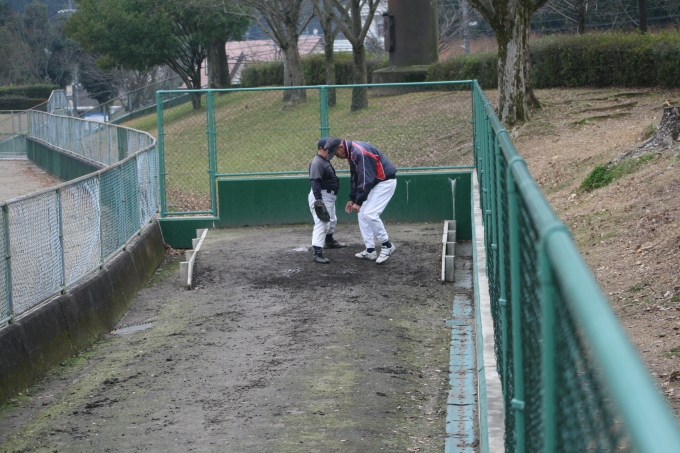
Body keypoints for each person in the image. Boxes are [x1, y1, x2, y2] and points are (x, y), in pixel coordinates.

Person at [323, 138, 397, 264]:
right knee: (362, 213)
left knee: (370, 214)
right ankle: (370, 250)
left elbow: (366, 178)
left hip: (385, 182)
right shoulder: (351, 152)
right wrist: (352, 198)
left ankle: (387, 245)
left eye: (335, 153)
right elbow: (355, 176)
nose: (337, 157)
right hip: (375, 184)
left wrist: (359, 201)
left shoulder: (359, 152)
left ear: (341, 147)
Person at [308, 138, 346, 264]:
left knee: (332, 220)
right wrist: (319, 201)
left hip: (328, 196)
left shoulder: (324, 160)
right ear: (320, 149)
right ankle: (317, 252)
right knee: (322, 223)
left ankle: (329, 241)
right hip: (321, 196)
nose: (330, 153)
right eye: (328, 150)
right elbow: (315, 182)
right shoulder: (317, 162)